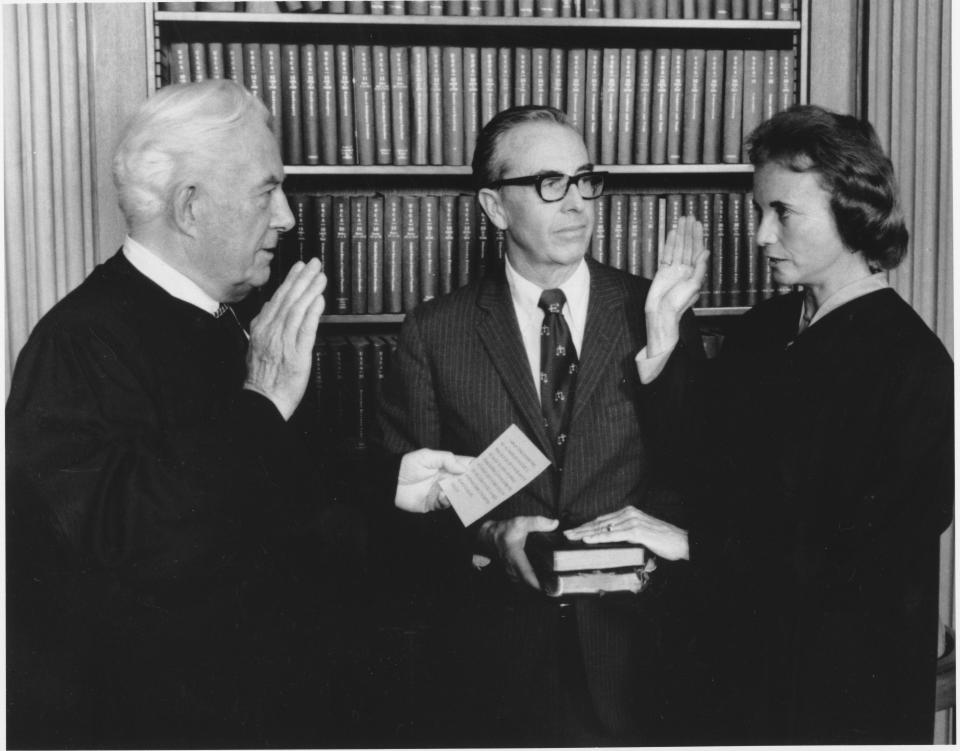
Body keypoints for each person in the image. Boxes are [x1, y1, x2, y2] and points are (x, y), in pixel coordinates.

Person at [5, 79, 468, 749]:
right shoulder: (77, 342)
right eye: (266, 191)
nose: (284, 216)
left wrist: (389, 482)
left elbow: (280, 484)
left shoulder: (227, 319)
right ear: (190, 206)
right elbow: (125, 547)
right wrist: (261, 404)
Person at [565, 104, 954, 744]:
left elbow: (861, 560)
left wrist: (697, 545)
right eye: (759, 212)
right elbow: (696, 468)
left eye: (784, 214)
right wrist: (662, 333)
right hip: (741, 671)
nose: (761, 237)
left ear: (853, 213)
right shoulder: (763, 332)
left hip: (838, 694)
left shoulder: (916, 368)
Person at [376, 104, 703, 745]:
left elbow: (694, 472)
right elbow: (402, 515)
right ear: (495, 207)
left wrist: (662, 353)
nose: (577, 202)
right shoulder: (434, 332)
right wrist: (487, 539)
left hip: (636, 659)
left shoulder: (655, 308)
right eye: (549, 184)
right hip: (498, 672)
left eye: (584, 179)